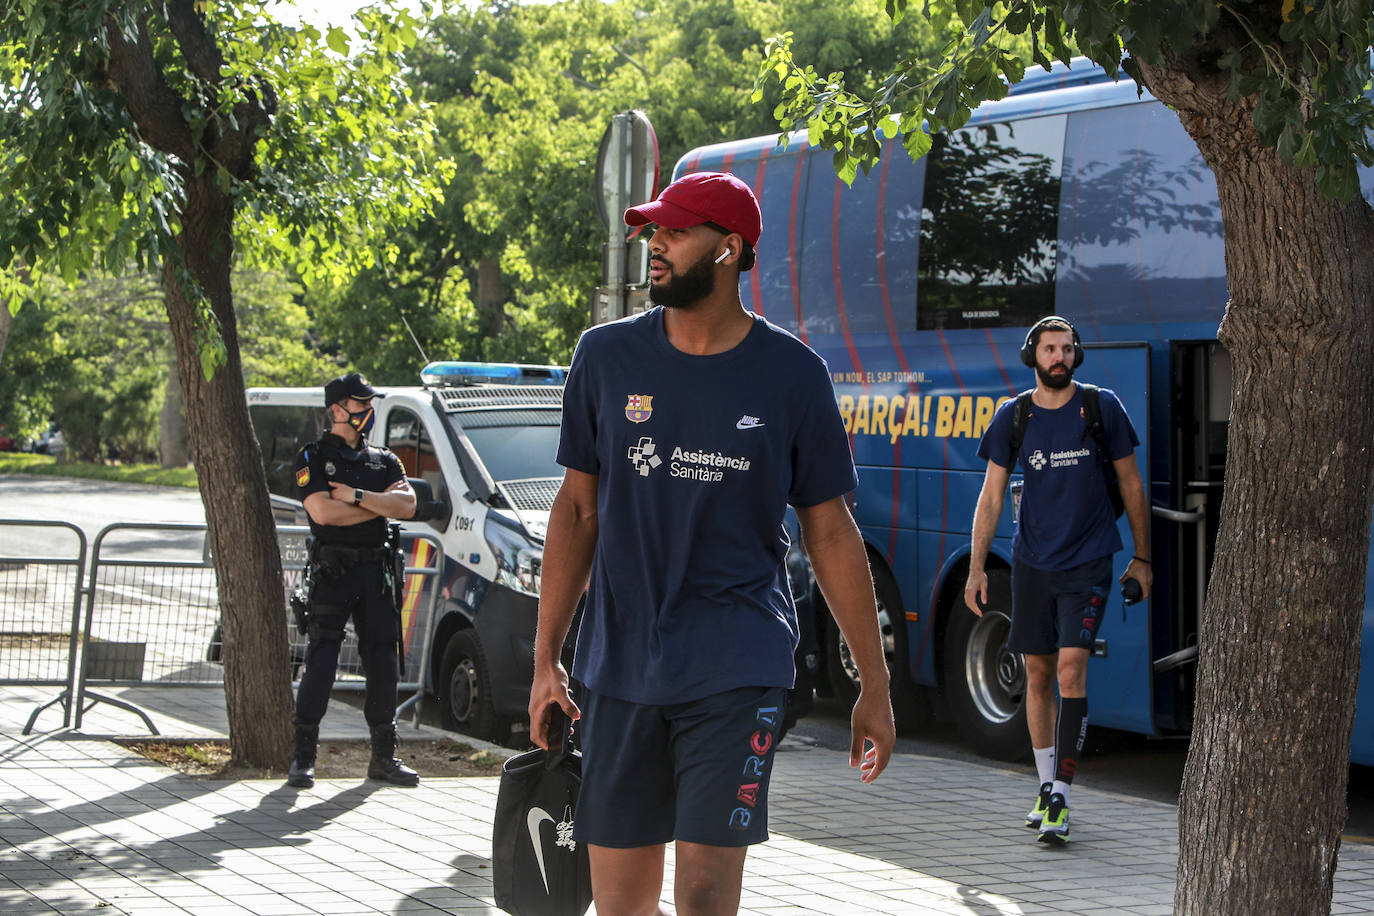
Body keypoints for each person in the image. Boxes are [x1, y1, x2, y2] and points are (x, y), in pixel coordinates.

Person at [528, 171, 896, 915]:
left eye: (674, 230)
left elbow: (829, 532)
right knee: (622, 906)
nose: (653, 243)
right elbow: (576, 513)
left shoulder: (793, 375)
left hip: (737, 660)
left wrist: (876, 685)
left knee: (701, 891)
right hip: (619, 661)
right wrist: (546, 662)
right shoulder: (604, 358)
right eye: (652, 230)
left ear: (729, 250)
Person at [964, 316, 1152, 844]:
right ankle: (1045, 786)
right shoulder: (1014, 416)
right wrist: (977, 568)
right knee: (1039, 675)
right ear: (1033, 356)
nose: (1059, 358)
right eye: (1049, 349)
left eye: (1067, 349)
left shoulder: (1101, 408)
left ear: (1077, 355)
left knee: (1072, 671)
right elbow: (992, 497)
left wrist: (1143, 558)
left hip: (1088, 562)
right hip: (1032, 565)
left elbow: (1131, 484)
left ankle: (1063, 796)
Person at [286, 372, 419, 789]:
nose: (369, 411)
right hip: (333, 571)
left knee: (382, 663)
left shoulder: (384, 460)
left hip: (375, 573)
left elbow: (409, 505)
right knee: (322, 661)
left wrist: (358, 497)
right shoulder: (312, 458)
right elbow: (323, 514)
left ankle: (384, 757)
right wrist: (382, 506)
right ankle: (303, 758)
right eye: (361, 404)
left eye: (369, 403)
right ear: (338, 409)